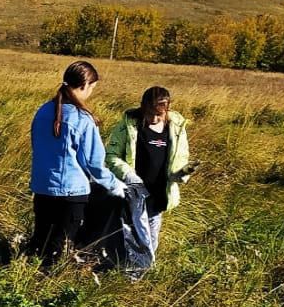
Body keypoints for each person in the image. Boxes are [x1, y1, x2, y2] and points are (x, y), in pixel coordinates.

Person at [29, 60, 124, 267]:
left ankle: (28, 280)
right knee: (61, 247)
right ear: (84, 86)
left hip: (42, 187)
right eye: (92, 88)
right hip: (71, 193)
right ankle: (50, 287)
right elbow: (93, 162)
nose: (91, 93)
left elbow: (36, 145)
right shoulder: (82, 119)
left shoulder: (43, 111)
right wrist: (114, 185)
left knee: (40, 242)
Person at [105, 86, 191, 257]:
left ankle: (142, 274)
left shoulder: (176, 129)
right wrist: (129, 175)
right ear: (142, 107)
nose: (153, 118)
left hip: (158, 196)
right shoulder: (128, 126)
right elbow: (111, 156)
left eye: (159, 115)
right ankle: (128, 274)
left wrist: (182, 174)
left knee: (151, 240)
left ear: (167, 109)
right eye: (149, 113)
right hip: (133, 196)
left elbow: (181, 158)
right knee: (132, 240)